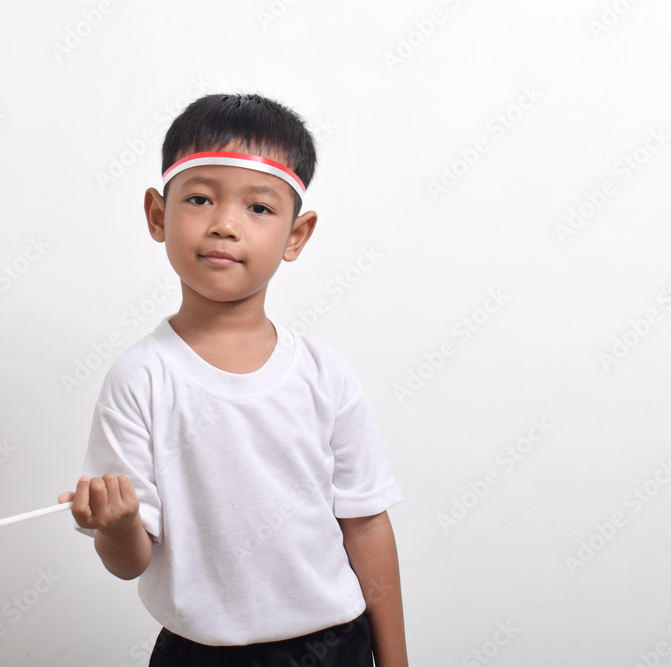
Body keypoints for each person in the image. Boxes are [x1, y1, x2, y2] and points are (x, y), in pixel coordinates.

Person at [59, 93, 407, 666]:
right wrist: (117, 526)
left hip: (334, 645)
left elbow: (366, 526)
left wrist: (395, 662)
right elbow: (129, 562)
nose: (224, 224)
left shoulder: (325, 375)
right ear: (156, 214)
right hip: (200, 655)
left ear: (297, 235)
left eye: (259, 208)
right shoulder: (140, 379)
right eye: (199, 198)